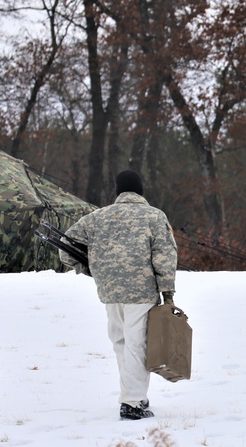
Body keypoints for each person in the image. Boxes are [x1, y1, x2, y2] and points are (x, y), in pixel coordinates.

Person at [59, 170, 178, 420]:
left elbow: (65, 250)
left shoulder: (97, 217)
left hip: (110, 291)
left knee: (121, 343)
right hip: (141, 292)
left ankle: (131, 394)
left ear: (118, 191)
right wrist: (168, 294)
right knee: (137, 344)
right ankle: (133, 402)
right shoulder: (154, 216)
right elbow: (164, 258)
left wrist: (91, 269)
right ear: (140, 190)